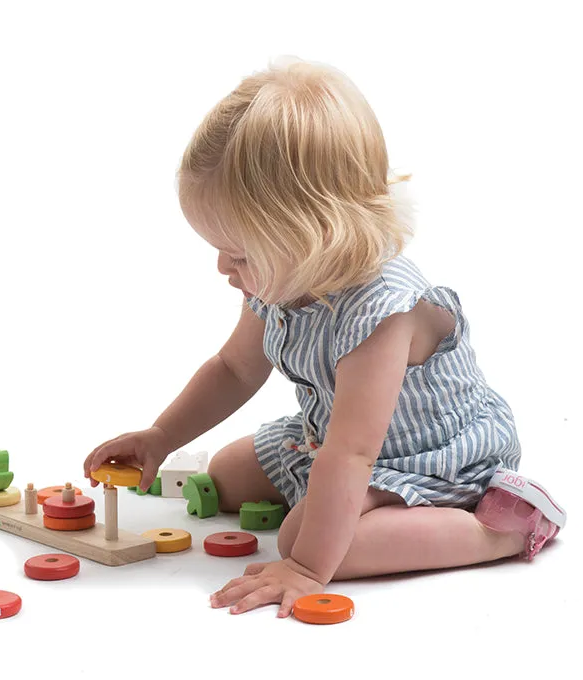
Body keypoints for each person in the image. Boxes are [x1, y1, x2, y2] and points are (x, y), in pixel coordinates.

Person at [83, 56, 567, 617]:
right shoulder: (280, 281)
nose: (222, 267)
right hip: (333, 442)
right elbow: (235, 369)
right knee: (228, 471)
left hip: (430, 457)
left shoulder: (383, 313)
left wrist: (307, 567)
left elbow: (354, 452)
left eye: (238, 253)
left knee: (299, 538)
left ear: (315, 236)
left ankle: (504, 529)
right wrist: (161, 435)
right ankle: (335, 513)